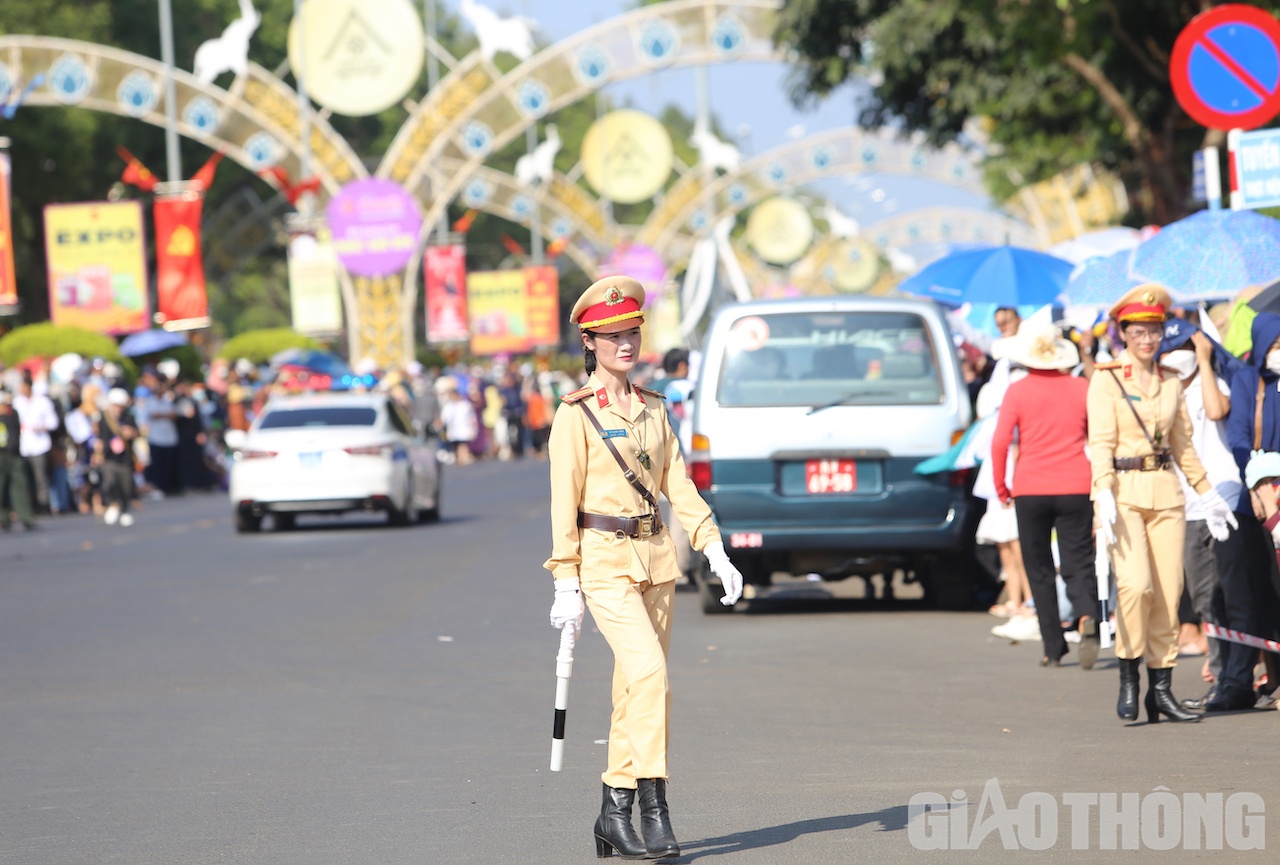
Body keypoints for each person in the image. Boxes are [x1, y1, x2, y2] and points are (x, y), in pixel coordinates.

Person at [544, 276, 744, 860]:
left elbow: (676, 483)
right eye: (612, 335)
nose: (624, 343)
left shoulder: (654, 409)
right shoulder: (575, 416)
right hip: (603, 562)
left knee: (634, 688)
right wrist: (564, 577)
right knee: (652, 675)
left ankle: (613, 811)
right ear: (590, 341)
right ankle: (654, 808)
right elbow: (565, 498)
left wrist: (712, 545)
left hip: (657, 561)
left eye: (631, 331)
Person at [1088, 285, 1237, 724]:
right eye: (1139, 331)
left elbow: (1183, 446)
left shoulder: (1172, 381)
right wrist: (1101, 489)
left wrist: (1206, 492)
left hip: (1167, 492)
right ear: (1124, 333)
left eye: (1154, 331)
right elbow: (1100, 442)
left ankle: (1162, 688)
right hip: (1124, 492)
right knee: (1136, 587)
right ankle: (1129, 676)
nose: (1148, 339)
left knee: (1169, 593)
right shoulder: (1108, 379)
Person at [990, 320, 1099, 668]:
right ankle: (1085, 615)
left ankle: (1053, 646)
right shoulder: (1081, 387)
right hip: (1076, 483)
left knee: (1038, 567)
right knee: (1078, 560)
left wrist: (1001, 487)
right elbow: (1098, 439)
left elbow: (1000, 443)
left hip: (1031, 487)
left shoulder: (1018, 391)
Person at [1156, 321, 1242, 708]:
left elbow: (1217, 409)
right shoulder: (1167, 391)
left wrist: (1206, 361)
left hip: (1223, 498)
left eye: (1183, 347)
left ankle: (1231, 680)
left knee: (1227, 594)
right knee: (1205, 595)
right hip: (1189, 505)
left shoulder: (1215, 381)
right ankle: (1224, 673)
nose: (1175, 355)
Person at [1220, 311, 1280, 712]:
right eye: (1275, 345)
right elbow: (1239, 435)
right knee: (1254, 591)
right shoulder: (1247, 380)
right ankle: (1253, 678)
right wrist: (1256, 481)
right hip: (1254, 496)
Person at [94, 388, 139, 527]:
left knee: (125, 485)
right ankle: (113, 505)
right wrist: (98, 453)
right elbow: (98, 437)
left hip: (124, 458)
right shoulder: (104, 418)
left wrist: (130, 433)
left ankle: (125, 509)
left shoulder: (128, 417)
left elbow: (136, 432)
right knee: (109, 482)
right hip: (109, 457)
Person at [13, 375, 58, 514]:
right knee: (25, 479)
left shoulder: (42, 402)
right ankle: (30, 506)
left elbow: (53, 422)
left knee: (40, 477)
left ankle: (43, 504)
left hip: (39, 445)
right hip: (23, 446)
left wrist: (41, 427)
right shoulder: (17, 402)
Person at [0, 390, 38, 531]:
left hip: (15, 455)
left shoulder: (12, 414)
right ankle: (3, 518)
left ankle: (26, 517)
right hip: (1, 456)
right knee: (1, 488)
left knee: (20, 487)